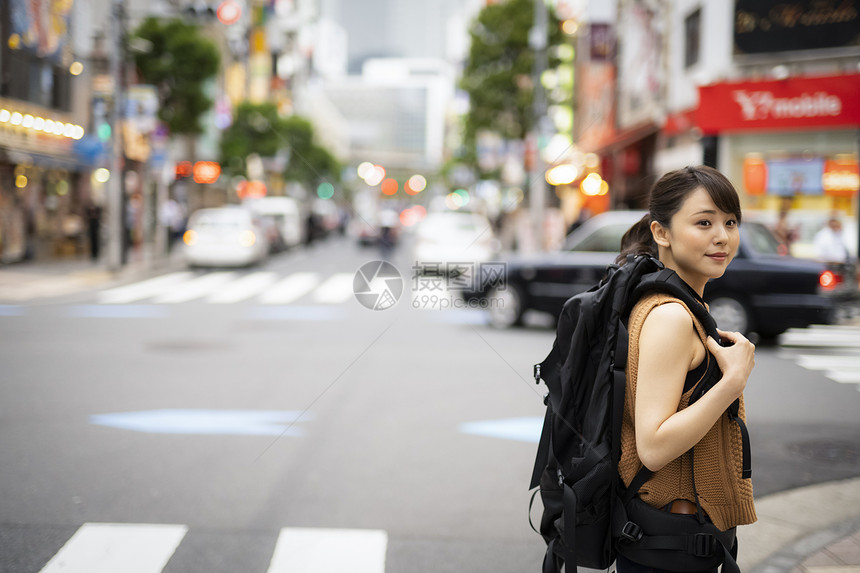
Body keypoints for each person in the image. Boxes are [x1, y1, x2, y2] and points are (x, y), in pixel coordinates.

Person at [615, 166, 757, 572]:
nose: (722, 237)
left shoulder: (683, 306)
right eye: (704, 222)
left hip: (677, 540)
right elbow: (654, 447)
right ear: (662, 233)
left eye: (730, 222)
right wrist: (733, 381)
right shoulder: (671, 317)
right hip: (669, 546)